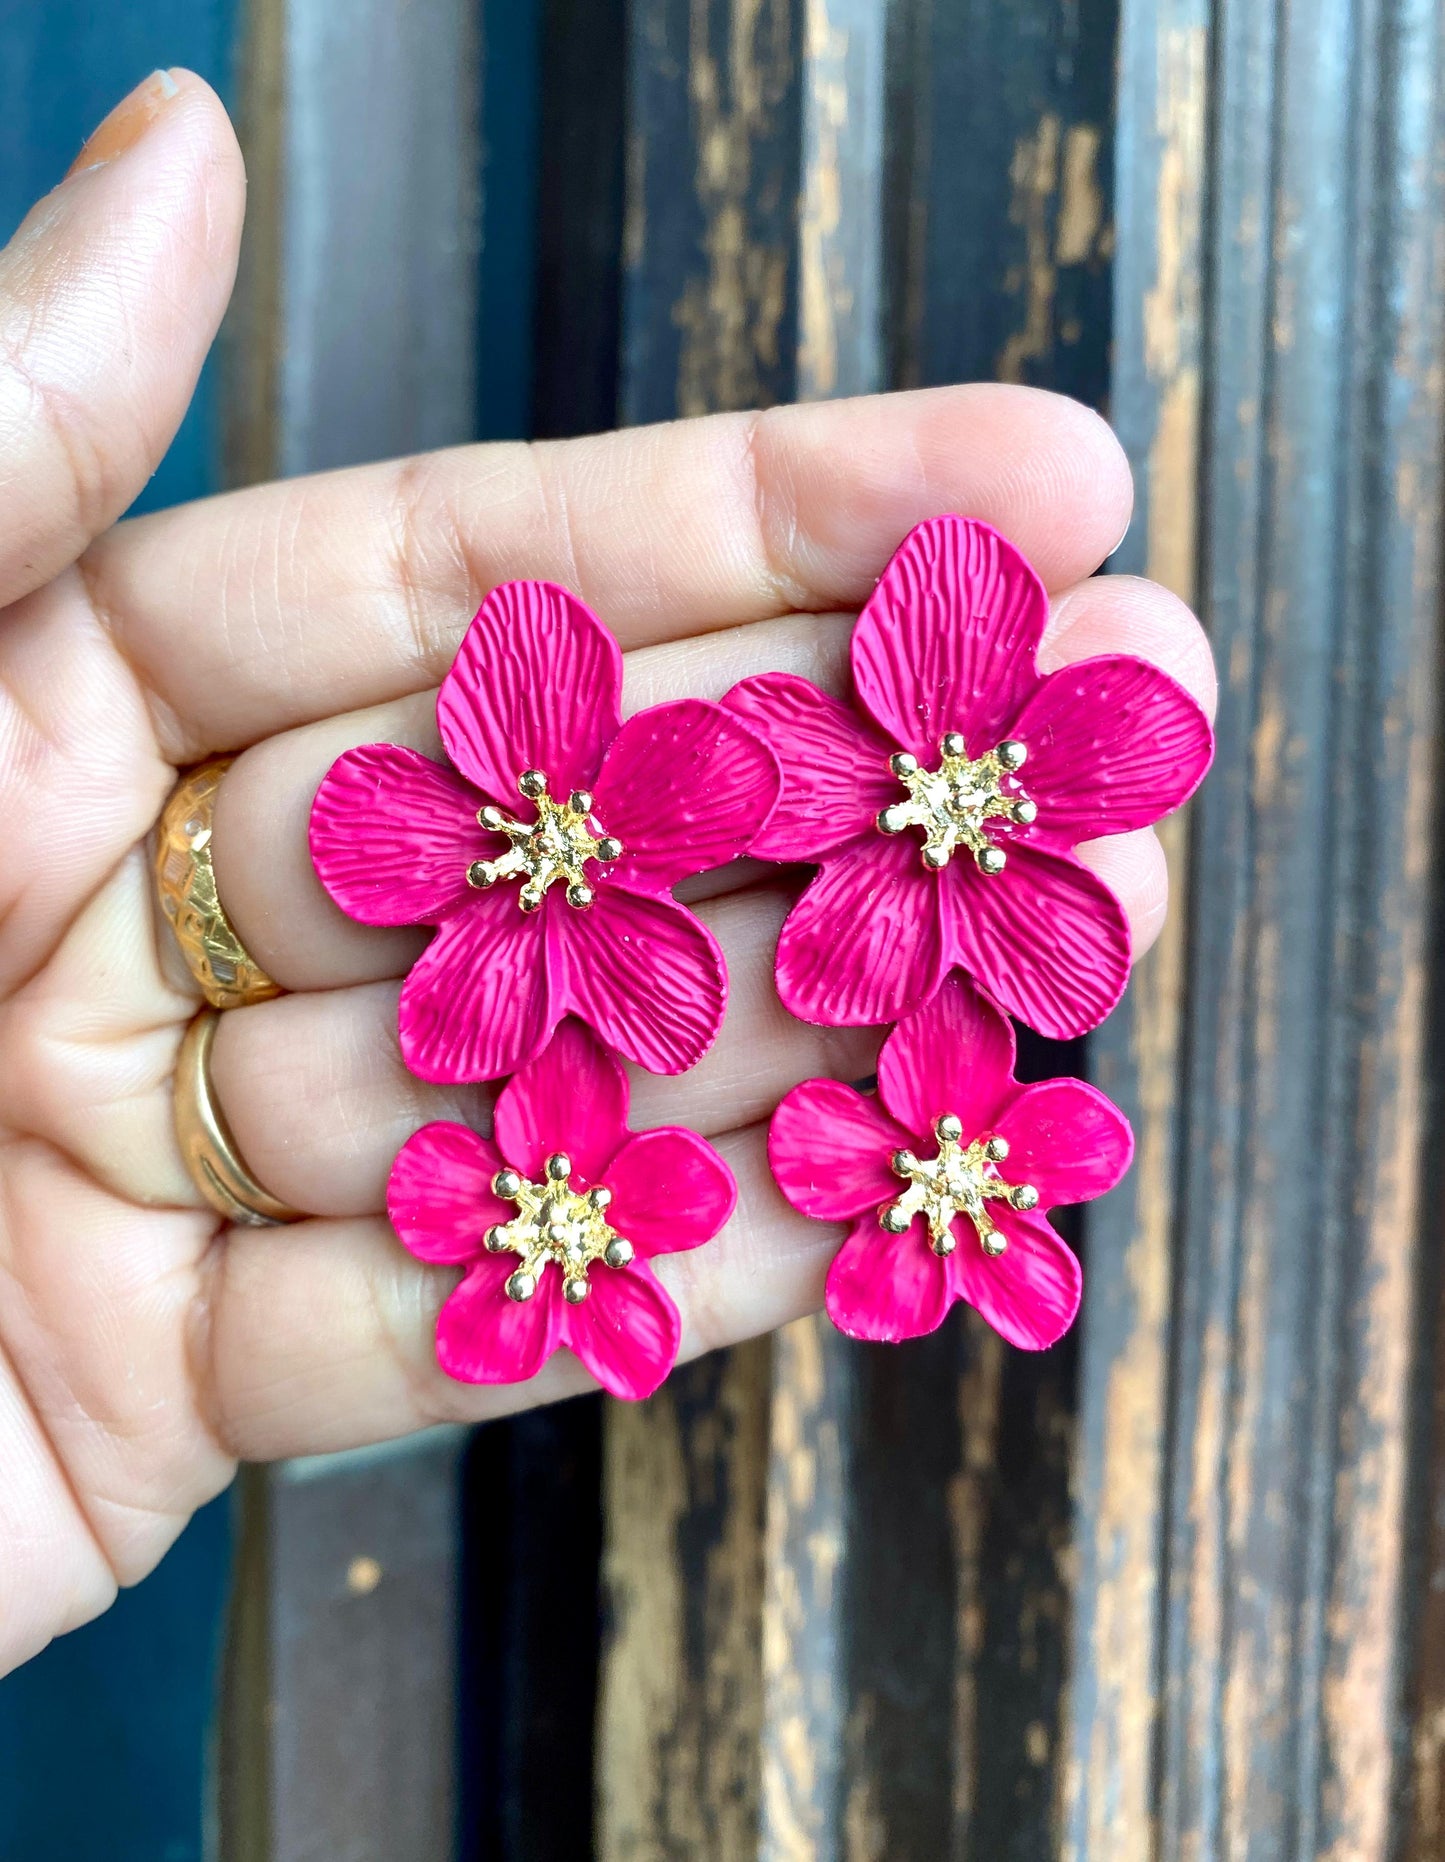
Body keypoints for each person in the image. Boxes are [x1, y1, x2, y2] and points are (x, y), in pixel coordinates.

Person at [0, 69, 1216, 1676]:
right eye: (953, 784)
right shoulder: (599, 835)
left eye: (962, 796)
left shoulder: (898, 900)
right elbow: (517, 840)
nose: (948, 797)